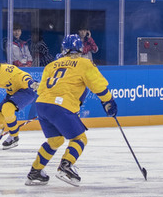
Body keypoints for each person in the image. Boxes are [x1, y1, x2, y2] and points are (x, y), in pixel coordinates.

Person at [27, 34, 117, 186]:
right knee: (80, 139)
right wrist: (108, 100)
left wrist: (50, 107)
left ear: (64, 49)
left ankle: (35, 171)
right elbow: (98, 85)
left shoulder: (51, 65)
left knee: (55, 140)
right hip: (61, 106)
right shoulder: (84, 63)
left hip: (42, 105)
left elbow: (41, 89)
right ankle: (66, 166)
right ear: (80, 49)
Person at [0, 54, 37, 150]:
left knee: (7, 109)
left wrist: (31, 83)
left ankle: (14, 136)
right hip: (12, 92)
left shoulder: (6, 70)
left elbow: (22, 75)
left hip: (26, 90)